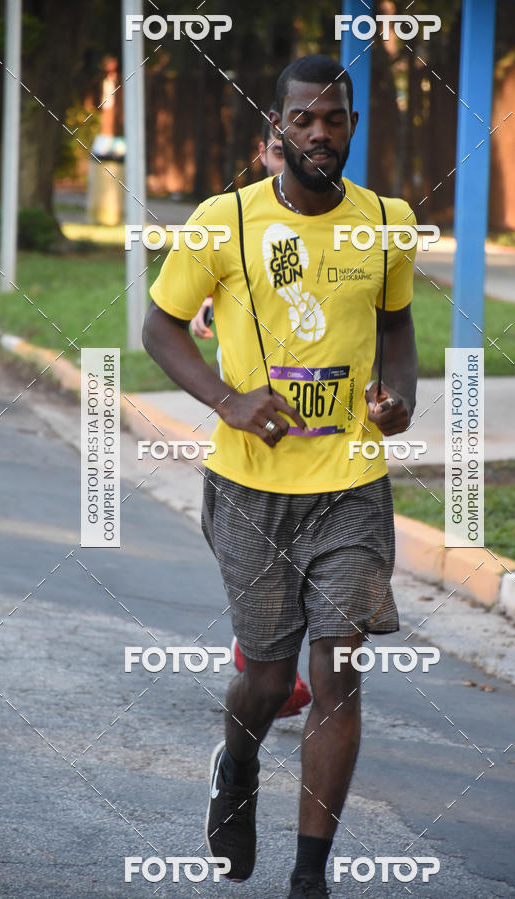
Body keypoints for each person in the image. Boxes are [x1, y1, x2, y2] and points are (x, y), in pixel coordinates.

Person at [143, 54, 417, 899]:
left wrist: (399, 396)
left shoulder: (387, 221)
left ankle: (309, 878)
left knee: (337, 667)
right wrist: (227, 399)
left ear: (352, 128)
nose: (320, 133)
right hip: (251, 485)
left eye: (334, 119)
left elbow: (397, 327)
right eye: (304, 120)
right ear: (277, 131)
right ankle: (237, 763)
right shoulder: (221, 222)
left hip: (350, 482)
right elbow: (159, 328)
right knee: (267, 676)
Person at [190, 112, 312, 720]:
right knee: (268, 574)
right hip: (249, 444)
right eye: (272, 151)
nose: (280, 159)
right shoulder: (239, 221)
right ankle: (261, 651)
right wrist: (202, 311)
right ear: (265, 155)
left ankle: (264, 650)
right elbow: (204, 290)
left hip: (321, 443)